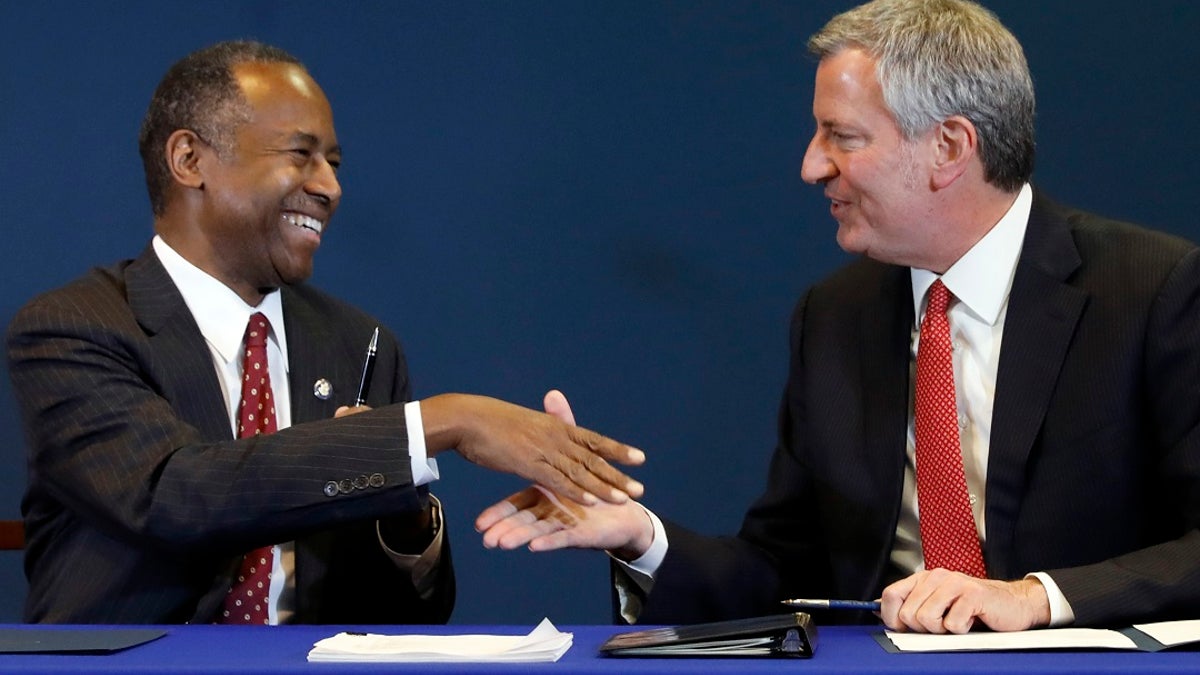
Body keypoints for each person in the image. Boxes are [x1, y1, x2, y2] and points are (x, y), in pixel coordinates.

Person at [476, 0, 1200, 635]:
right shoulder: (835, 316)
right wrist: (643, 538)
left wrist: (1035, 597)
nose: (810, 166)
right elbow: (783, 573)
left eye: (841, 136)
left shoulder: (1153, 291)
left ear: (948, 147)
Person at [6, 40, 645, 625]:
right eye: (301, 155)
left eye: (334, 163)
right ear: (190, 158)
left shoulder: (360, 344)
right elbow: (173, 494)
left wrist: (405, 512)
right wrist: (442, 423)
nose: (330, 187)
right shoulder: (75, 327)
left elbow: (410, 616)